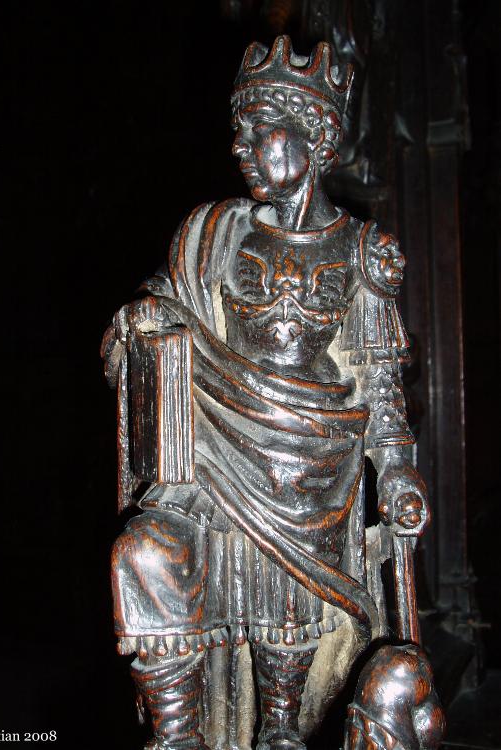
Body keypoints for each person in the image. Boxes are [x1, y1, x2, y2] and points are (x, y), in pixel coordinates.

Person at [102, 36, 429, 750]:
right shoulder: (212, 234)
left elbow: (381, 388)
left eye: (260, 130)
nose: (241, 147)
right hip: (208, 465)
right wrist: (142, 321)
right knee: (144, 553)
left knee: (287, 655)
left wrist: (399, 472)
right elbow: (153, 314)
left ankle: (281, 727)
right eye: (238, 131)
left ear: (316, 137)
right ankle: (178, 733)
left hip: (312, 481)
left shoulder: (360, 251)